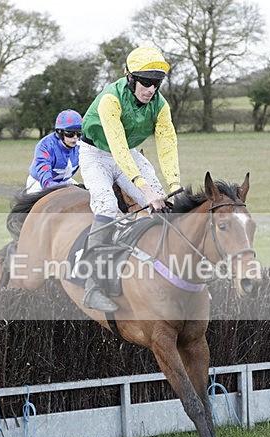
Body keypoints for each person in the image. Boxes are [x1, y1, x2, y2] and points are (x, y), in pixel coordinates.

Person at [78, 45, 182, 312]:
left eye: (156, 84)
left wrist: (174, 187)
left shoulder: (160, 105)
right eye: (146, 83)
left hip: (129, 153)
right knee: (107, 206)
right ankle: (93, 284)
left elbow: (167, 145)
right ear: (130, 78)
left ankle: (171, 276)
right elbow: (117, 146)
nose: (151, 90)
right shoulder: (110, 99)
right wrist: (142, 188)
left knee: (164, 203)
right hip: (95, 154)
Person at [24, 109, 82, 193]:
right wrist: (66, 187)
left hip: (66, 181)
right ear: (60, 132)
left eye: (79, 133)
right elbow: (47, 183)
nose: (75, 137)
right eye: (70, 133)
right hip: (39, 183)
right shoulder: (45, 146)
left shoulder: (81, 145)